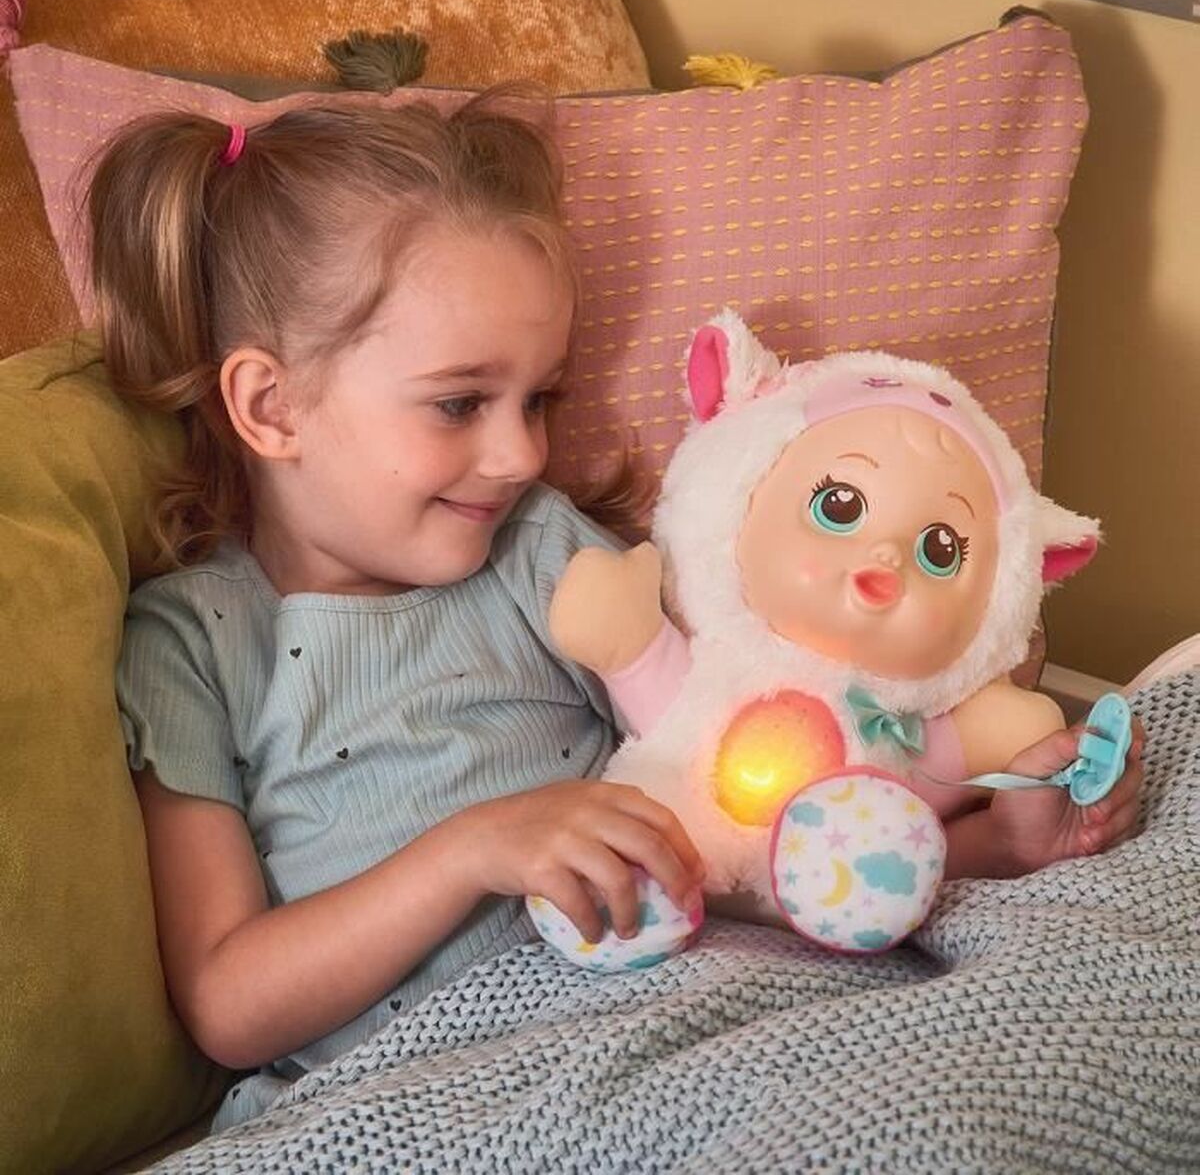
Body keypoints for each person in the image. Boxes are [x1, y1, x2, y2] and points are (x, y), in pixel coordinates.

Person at [93, 92, 1142, 1131]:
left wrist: (987, 846)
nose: (522, 454)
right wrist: (473, 850)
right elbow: (229, 1004)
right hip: (408, 1094)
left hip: (658, 1014)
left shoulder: (542, 556)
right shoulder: (193, 643)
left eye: (539, 399)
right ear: (271, 406)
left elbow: (733, 824)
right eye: (460, 403)